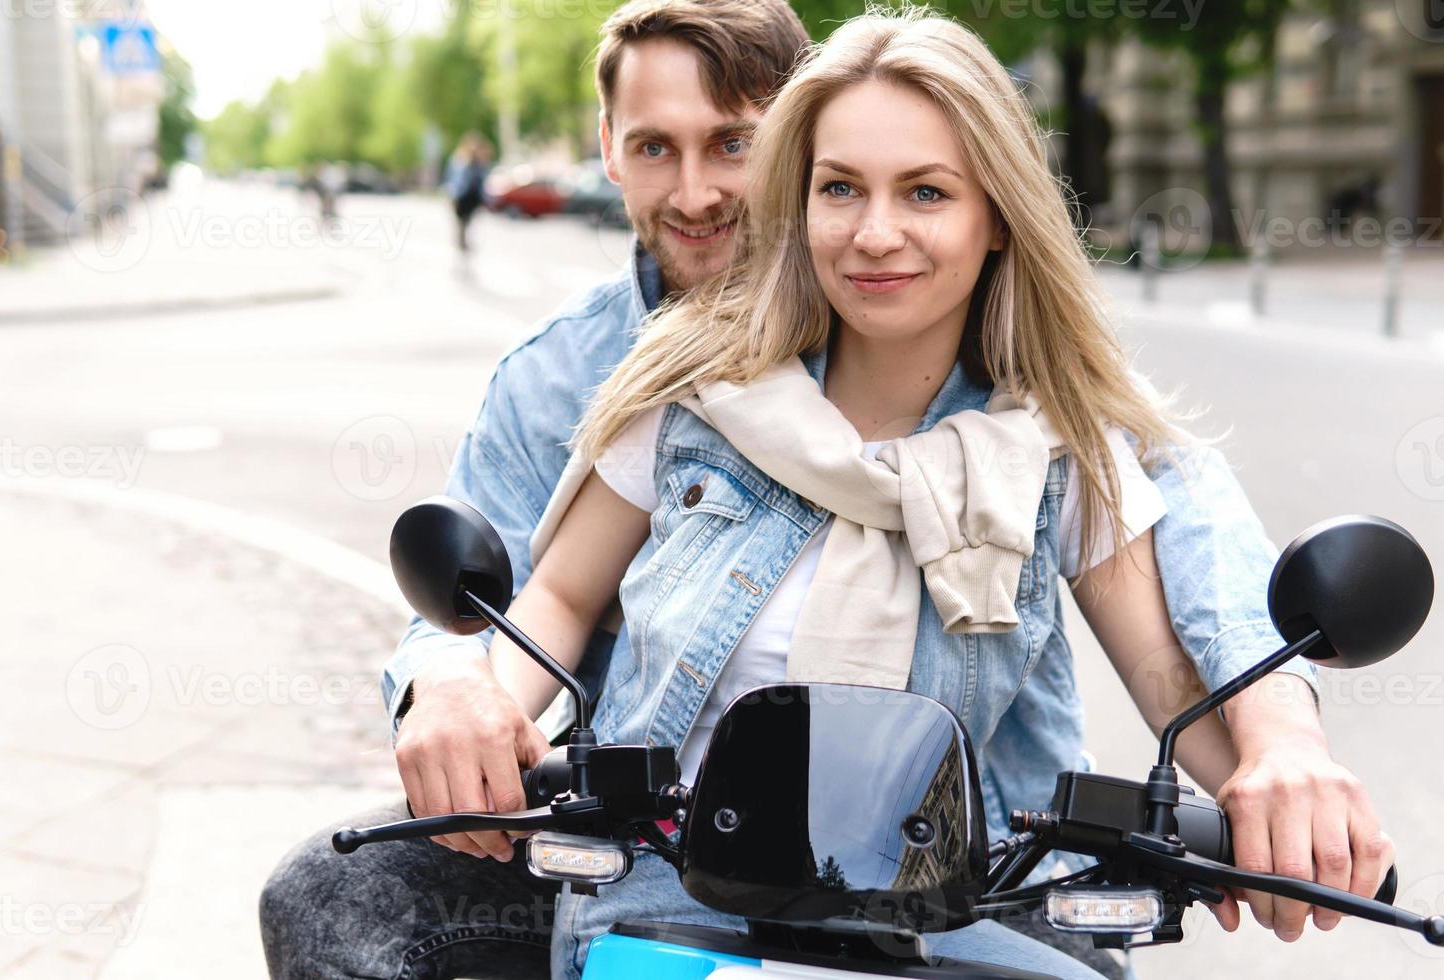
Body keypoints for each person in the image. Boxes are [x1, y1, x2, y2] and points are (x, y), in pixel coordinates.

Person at [259, 4, 1391, 979]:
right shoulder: (681, 385)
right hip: (671, 889)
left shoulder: (1057, 442)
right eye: (842, 188)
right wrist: (467, 687)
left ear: (997, 213)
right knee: (328, 892)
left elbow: (1172, 669)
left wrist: (1277, 774)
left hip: (965, 905)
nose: (877, 231)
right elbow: (545, 599)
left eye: (928, 192)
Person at [445, 132, 493, 253]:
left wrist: (485, 197)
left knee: (467, 221)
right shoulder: (459, 159)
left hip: (473, 196)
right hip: (461, 195)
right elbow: (452, 177)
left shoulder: (481, 162)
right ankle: (461, 241)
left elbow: (483, 180)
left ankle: (463, 240)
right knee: (461, 220)